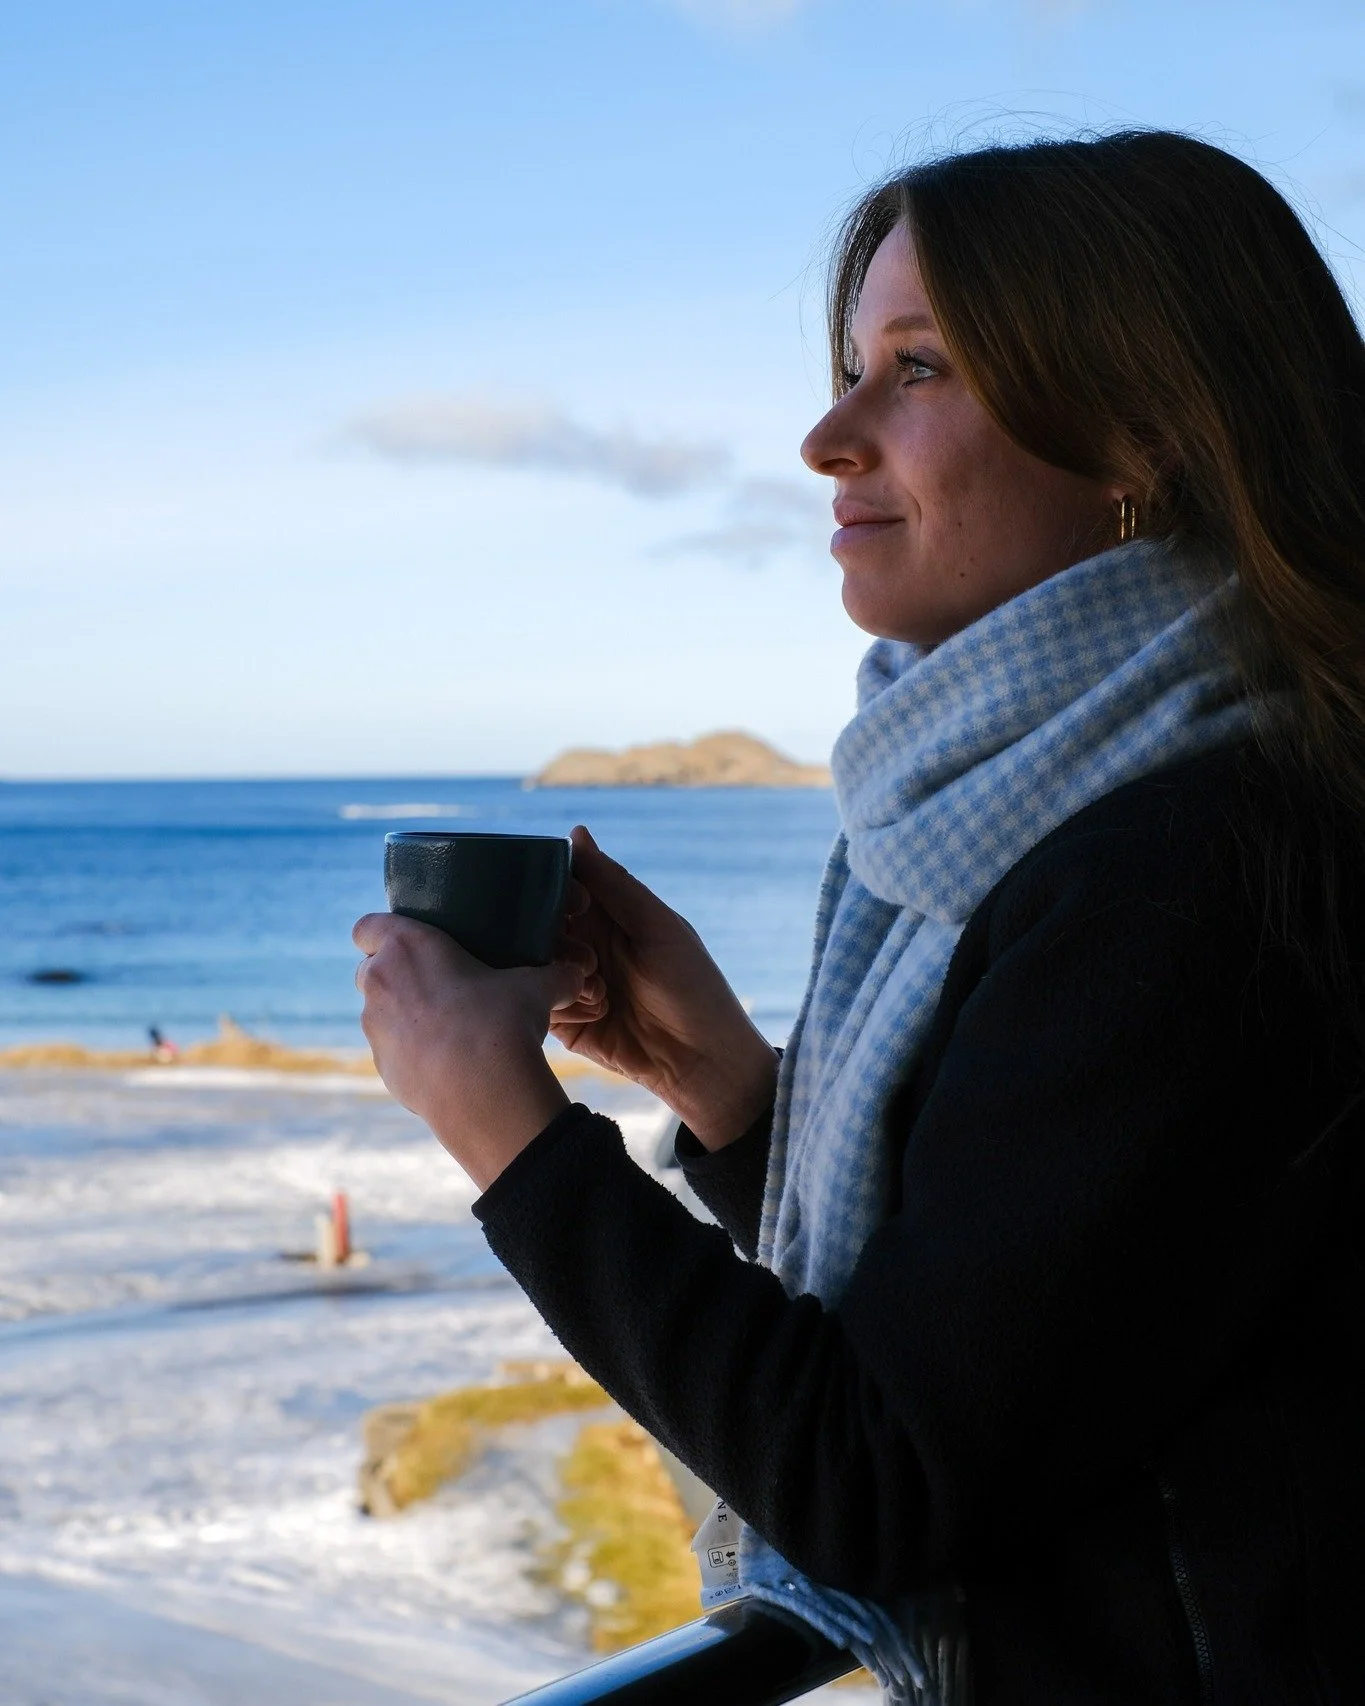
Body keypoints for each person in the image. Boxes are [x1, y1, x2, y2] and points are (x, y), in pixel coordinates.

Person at [353, 130, 1365, 1704]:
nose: (827, 438)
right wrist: (729, 1091)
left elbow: (881, 1477)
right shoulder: (1086, 803)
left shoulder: (1194, 870)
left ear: (1145, 439)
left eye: (918, 368)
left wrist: (511, 1137)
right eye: (848, 370)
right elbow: (1029, 1320)